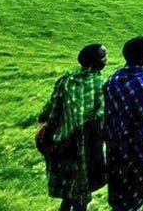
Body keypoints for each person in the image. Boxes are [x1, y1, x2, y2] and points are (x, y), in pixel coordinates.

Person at [38, 43, 108, 211]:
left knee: (70, 188)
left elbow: (51, 107)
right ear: (93, 62)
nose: (106, 60)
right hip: (85, 146)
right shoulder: (98, 83)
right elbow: (100, 116)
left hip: (63, 140)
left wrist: (44, 122)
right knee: (81, 194)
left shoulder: (67, 79)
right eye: (103, 57)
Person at [104, 36, 143, 211]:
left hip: (115, 143)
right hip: (135, 146)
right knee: (134, 190)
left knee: (118, 188)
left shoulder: (114, 78)